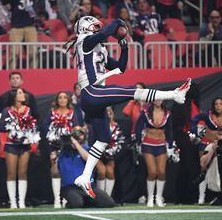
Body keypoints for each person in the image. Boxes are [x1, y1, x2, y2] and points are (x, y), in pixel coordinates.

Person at [67, 15, 191, 198]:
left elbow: (120, 67)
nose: (96, 29)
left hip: (95, 95)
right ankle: (174, 94)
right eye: (93, 26)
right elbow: (106, 33)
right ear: (85, 28)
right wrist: (118, 22)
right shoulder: (84, 41)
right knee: (133, 92)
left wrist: (123, 48)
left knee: (103, 138)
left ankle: (85, 176)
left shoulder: (97, 47)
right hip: (91, 92)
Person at [0, 88, 40, 208]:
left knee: (23, 172)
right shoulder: (6, 111)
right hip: (10, 144)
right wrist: (10, 125)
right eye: (20, 93)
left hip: (25, 144)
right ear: (14, 97)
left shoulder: (29, 110)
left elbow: (34, 126)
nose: (23, 94)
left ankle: (22, 202)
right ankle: (13, 202)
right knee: (11, 173)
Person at [58, 126, 115, 208]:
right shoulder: (64, 151)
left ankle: (86, 201)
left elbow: (89, 159)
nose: (77, 135)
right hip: (70, 187)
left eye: (80, 133)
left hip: (88, 187)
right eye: (75, 133)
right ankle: (70, 201)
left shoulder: (87, 149)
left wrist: (76, 144)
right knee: (77, 204)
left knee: (108, 203)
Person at [44, 91, 83, 208]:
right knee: (55, 171)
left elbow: (77, 128)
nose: (62, 100)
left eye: (64, 97)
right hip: (54, 144)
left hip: (69, 146)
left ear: (68, 100)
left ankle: (66, 198)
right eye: (60, 98)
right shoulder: (51, 112)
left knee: (66, 171)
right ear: (56, 100)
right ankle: (57, 199)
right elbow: (44, 126)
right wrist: (54, 132)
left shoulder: (73, 113)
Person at [135, 100, 174, 207]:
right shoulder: (146, 112)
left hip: (161, 145)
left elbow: (169, 130)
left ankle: (159, 197)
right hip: (148, 144)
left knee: (161, 172)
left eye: (160, 99)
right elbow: (138, 127)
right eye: (156, 98)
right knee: (152, 172)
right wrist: (138, 142)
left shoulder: (167, 113)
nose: (158, 101)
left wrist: (170, 146)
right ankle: (150, 198)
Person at [190, 97, 222, 205]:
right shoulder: (207, 115)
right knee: (203, 167)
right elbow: (194, 120)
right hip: (206, 144)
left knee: (217, 170)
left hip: (219, 146)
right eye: (216, 104)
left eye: (220, 104)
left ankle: (217, 196)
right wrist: (194, 133)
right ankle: (201, 197)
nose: (218, 106)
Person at [96, 106, 125, 197]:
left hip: (110, 154)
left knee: (110, 172)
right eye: (106, 112)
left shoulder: (116, 126)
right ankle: (101, 197)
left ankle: (107, 197)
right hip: (97, 154)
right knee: (101, 171)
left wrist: (110, 152)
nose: (108, 114)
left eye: (109, 112)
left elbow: (120, 141)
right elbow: (92, 140)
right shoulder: (97, 125)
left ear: (112, 114)